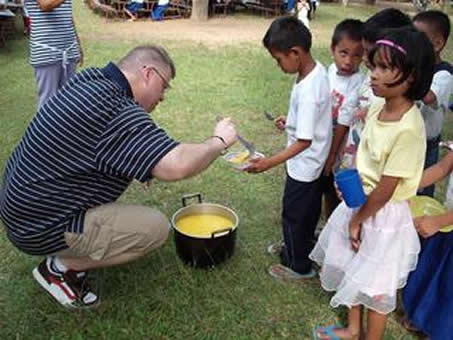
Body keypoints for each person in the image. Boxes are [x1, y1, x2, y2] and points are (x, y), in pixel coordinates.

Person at [0, 45, 238, 309]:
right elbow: (177, 164)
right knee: (154, 228)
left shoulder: (91, 79)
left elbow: (92, 146)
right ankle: (60, 269)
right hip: (37, 226)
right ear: (148, 73)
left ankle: (67, 249)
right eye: (164, 87)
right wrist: (218, 142)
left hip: (21, 208)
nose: (163, 98)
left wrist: (140, 163)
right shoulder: (113, 108)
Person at [310, 27, 435, 340]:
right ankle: (353, 329)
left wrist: (358, 220)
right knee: (353, 266)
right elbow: (368, 146)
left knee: (377, 289)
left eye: (383, 68)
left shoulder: (410, 129)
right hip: (361, 202)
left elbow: (386, 189)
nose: (373, 76)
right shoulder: (381, 106)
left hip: (382, 214)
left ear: (411, 77)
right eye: (373, 67)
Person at [246, 16, 332, 281]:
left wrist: (268, 162)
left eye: (278, 59)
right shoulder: (317, 70)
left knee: (294, 215)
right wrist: (291, 122)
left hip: (304, 167)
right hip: (315, 162)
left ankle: (298, 266)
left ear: (295, 52)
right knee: (306, 214)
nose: (278, 65)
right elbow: (311, 122)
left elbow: (304, 141)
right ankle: (298, 249)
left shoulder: (308, 90)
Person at [339, 8, 412, 170]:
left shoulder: (395, 93)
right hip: (352, 159)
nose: (365, 58)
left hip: (370, 172)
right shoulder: (372, 75)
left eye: (369, 52)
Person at [402, 147, 453, 340]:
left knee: (449, 287)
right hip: (448, 218)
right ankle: (424, 317)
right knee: (433, 269)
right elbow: (442, 167)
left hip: (446, 220)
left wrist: (438, 222)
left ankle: (441, 330)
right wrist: (406, 188)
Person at [322, 19, 365, 219]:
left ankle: (338, 224)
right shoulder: (329, 71)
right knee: (325, 187)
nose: (349, 61)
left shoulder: (359, 82)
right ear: (333, 49)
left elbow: (344, 122)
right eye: (344, 53)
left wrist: (331, 156)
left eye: (357, 55)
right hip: (323, 140)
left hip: (342, 147)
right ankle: (327, 224)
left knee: (339, 188)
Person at [412, 10, 453, 197]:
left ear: (437, 44)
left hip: (426, 144)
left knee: (421, 191)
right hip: (408, 138)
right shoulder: (414, 67)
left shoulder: (444, 73)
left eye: (419, 40)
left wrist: (404, 78)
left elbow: (429, 97)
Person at [25, 0, 82, 108]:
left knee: (69, 100)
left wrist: (77, 43)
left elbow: (67, 15)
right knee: (48, 103)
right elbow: (45, 5)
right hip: (46, 51)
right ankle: (44, 125)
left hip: (69, 49)